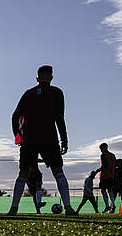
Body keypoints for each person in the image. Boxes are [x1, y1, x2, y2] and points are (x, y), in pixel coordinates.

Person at [9, 65, 74, 215]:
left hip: (29, 140)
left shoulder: (28, 94)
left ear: (37, 78)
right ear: (51, 77)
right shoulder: (57, 92)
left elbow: (14, 116)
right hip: (49, 138)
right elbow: (59, 117)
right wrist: (64, 139)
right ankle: (68, 207)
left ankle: (14, 208)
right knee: (58, 172)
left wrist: (18, 135)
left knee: (23, 174)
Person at [97, 143, 118, 212]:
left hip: (104, 175)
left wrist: (97, 170)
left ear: (105, 148)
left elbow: (104, 165)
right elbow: (115, 165)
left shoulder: (103, 155)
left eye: (101, 149)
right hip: (111, 176)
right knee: (110, 190)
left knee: (103, 190)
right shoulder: (113, 155)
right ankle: (113, 205)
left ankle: (107, 206)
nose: (101, 150)